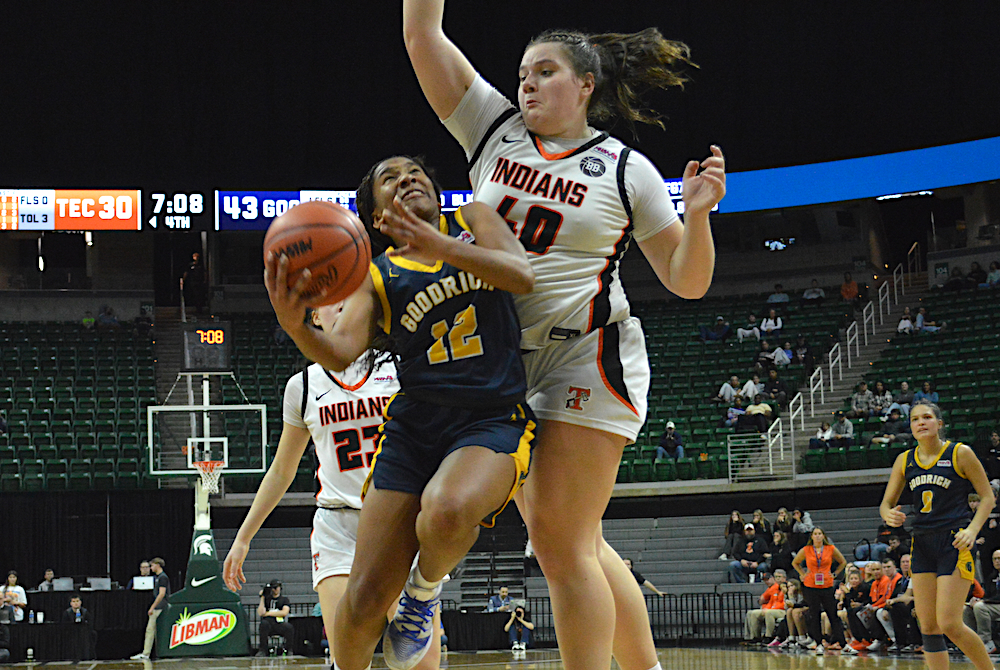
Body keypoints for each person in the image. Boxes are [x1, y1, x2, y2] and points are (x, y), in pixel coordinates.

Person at [401, 6, 726, 669]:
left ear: (584, 85)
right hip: (505, 367)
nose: (526, 84)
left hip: (589, 353)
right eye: (522, 74)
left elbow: (686, 281)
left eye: (544, 72)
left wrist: (697, 217)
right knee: (580, 539)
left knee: (558, 540)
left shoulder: (625, 169)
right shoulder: (493, 128)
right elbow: (421, 35)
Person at [266, 155, 536, 670]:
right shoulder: (374, 275)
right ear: (375, 217)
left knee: (448, 509)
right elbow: (342, 352)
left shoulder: (474, 220)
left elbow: (521, 276)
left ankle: (422, 593)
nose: (407, 179)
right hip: (415, 428)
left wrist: (439, 245)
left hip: (490, 417)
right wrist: (296, 325)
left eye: (415, 172)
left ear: (436, 190)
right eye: (390, 178)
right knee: (363, 603)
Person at [220, 301, 441, 665]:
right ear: (314, 319)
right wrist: (243, 537)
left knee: (421, 663)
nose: (340, 309)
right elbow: (281, 471)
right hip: (338, 526)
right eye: (329, 304)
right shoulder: (304, 385)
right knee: (348, 658)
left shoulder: (400, 368)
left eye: (347, 301)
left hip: (397, 520)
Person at [879, 400, 997, 670]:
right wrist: (888, 514)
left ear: (939, 423)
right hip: (921, 542)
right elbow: (885, 504)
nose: (921, 422)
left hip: (954, 541)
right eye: (915, 419)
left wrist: (972, 529)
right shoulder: (905, 460)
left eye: (927, 417)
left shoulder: (960, 453)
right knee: (928, 624)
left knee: (949, 623)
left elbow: (988, 497)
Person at [792, 527, 849, 653]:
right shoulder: (806, 550)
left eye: (820, 534)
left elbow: (843, 562)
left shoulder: (830, 549)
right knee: (814, 614)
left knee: (832, 615)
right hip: (811, 585)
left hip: (827, 585)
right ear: (811, 536)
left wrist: (834, 574)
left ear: (824, 536)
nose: (817, 536)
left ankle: (843, 644)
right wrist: (802, 574)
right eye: (815, 534)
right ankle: (818, 643)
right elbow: (795, 563)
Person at [131, 557, 169, 660]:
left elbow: (161, 594)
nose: (151, 568)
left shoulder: (162, 578)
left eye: (151, 566)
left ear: (158, 565)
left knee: (150, 629)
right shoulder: (158, 577)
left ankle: (146, 653)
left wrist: (152, 607)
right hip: (158, 606)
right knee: (151, 630)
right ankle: (147, 653)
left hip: (160, 607)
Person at [964, 549, 1000, 654]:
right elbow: (987, 594)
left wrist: (983, 601)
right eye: (995, 559)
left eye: (999, 559)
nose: (997, 561)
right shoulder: (992, 576)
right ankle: (971, 642)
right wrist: (978, 599)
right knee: (967, 609)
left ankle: (985, 642)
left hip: (996, 605)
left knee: (980, 607)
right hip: (994, 605)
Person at [744, 570, 786, 643]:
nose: (778, 579)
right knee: (753, 613)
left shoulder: (787, 587)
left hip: (783, 610)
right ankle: (755, 637)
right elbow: (768, 601)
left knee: (769, 613)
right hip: (774, 609)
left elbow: (784, 603)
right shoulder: (773, 588)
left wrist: (769, 609)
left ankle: (768, 636)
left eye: (779, 577)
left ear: (784, 578)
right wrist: (765, 608)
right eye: (776, 577)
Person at [257, 581, 294, 657]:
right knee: (263, 624)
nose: (275, 590)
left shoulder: (284, 599)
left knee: (289, 627)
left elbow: (284, 612)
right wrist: (262, 597)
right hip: (268, 623)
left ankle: (289, 649)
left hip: (279, 623)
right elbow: (261, 612)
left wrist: (268, 613)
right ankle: (263, 650)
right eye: (273, 588)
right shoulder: (267, 599)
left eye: (276, 588)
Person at [61, 595, 96, 661]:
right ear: (70, 603)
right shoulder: (67, 613)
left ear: (80, 602)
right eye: (73, 601)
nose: (76, 603)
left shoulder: (85, 612)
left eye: (77, 601)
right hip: (71, 633)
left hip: (83, 633)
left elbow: (90, 623)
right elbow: (64, 625)